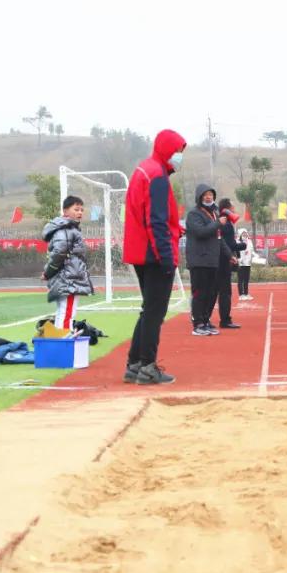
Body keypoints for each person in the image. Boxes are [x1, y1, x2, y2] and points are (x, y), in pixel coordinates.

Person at [122, 129, 185, 385]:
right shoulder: (157, 176)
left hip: (140, 251)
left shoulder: (145, 170)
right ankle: (148, 366)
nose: (179, 157)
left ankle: (134, 364)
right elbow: (156, 222)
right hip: (153, 253)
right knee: (155, 313)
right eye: (178, 152)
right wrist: (167, 258)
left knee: (148, 310)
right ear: (167, 149)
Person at [185, 184, 233, 336]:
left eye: (211, 194)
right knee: (199, 292)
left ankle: (206, 320)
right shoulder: (194, 214)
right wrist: (219, 222)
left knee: (211, 292)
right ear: (199, 197)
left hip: (213, 261)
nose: (208, 197)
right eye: (205, 194)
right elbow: (201, 232)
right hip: (199, 260)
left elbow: (219, 238)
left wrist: (229, 254)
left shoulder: (214, 214)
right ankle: (197, 323)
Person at [42, 196, 94, 330]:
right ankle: (64, 345)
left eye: (82, 210)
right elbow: (60, 253)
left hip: (67, 278)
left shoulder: (69, 229)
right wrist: (48, 273)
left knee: (63, 313)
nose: (80, 212)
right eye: (76, 209)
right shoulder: (67, 229)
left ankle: (61, 343)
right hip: (69, 280)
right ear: (65, 211)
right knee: (67, 314)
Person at [215, 198, 245, 328]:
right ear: (227, 208)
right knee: (225, 292)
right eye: (232, 207)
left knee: (215, 291)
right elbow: (229, 245)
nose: (234, 209)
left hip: (217, 260)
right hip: (223, 261)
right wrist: (243, 245)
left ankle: (202, 319)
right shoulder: (226, 224)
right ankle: (225, 320)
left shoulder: (219, 222)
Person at [236, 227, 264, 300]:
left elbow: (252, 251)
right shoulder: (237, 241)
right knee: (240, 279)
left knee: (246, 279)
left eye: (245, 233)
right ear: (240, 234)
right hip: (241, 263)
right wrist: (240, 258)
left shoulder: (249, 241)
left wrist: (256, 255)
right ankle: (241, 295)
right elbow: (236, 252)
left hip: (248, 263)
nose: (245, 234)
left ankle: (246, 293)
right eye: (243, 233)